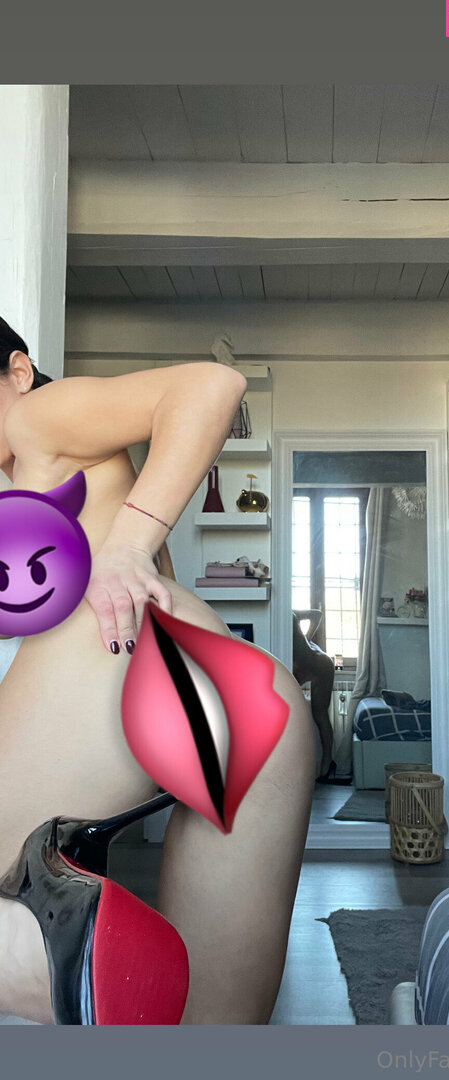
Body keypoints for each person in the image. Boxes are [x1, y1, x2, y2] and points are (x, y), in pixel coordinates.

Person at [0, 317, 315, 1025]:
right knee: (210, 1031)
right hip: (245, 697)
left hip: (125, 672)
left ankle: (40, 948)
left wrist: (128, 547)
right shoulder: (52, 474)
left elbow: (211, 385)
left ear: (18, 371)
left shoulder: (37, 419)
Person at [291, 610, 348, 783]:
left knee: (320, 715)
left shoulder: (288, 612)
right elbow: (316, 615)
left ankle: (327, 762)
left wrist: (307, 639)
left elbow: (316, 614)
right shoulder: (281, 614)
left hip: (319, 663)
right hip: (301, 663)